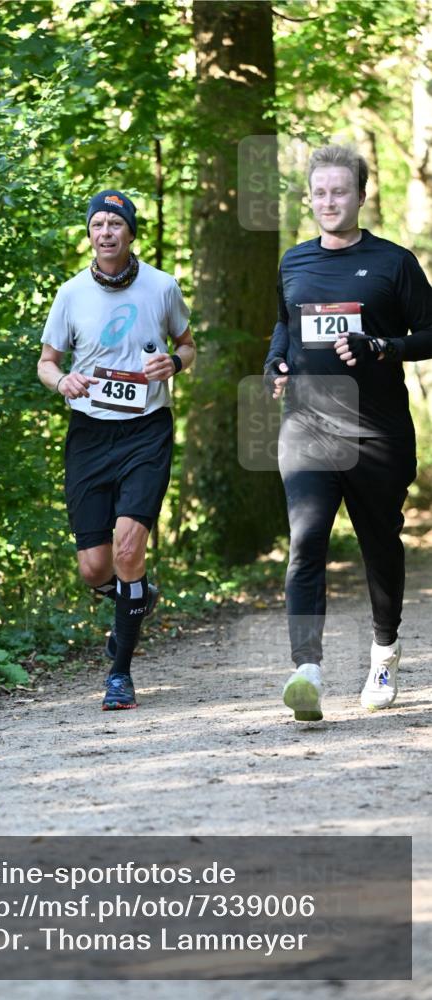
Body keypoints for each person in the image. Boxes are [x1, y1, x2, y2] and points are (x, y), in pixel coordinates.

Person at [263, 144, 432, 721]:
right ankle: (306, 670)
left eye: (341, 191)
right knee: (306, 540)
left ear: (360, 195)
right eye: (320, 192)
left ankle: (384, 653)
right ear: (308, 198)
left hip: (376, 434)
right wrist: (275, 364)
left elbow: (430, 335)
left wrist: (384, 347)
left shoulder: (394, 263)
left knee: (378, 547)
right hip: (307, 427)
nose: (329, 201)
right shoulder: (293, 261)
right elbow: (284, 327)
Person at [38, 190, 195, 710]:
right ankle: (137, 598)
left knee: (129, 549)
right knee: (94, 567)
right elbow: (47, 361)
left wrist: (173, 363)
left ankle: (119, 673)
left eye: (115, 224)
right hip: (89, 432)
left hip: (146, 428)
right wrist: (62, 382)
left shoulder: (162, 287)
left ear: (130, 233)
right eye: (98, 224)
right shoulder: (70, 294)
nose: (106, 232)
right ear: (90, 233)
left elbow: (188, 344)